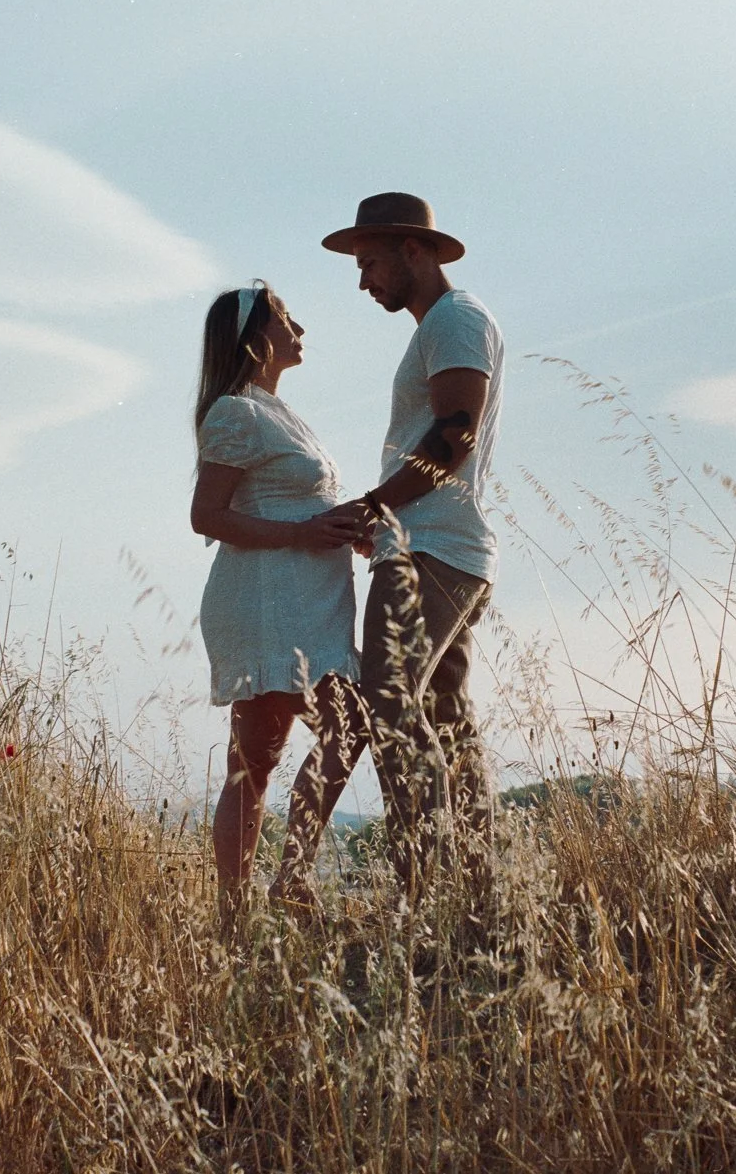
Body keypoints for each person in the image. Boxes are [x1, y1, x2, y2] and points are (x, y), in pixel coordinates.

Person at [320, 192, 505, 923]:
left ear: (413, 250)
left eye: (369, 262)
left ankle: (426, 893)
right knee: (446, 716)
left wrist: (378, 504)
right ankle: (481, 895)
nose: (364, 281)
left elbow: (455, 432)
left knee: (389, 704)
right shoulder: (443, 325)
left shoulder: (456, 320)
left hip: (431, 548)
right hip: (442, 547)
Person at [190, 282, 372, 928]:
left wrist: (347, 526)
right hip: (269, 602)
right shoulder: (234, 412)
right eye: (287, 315)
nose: (301, 323)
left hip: (313, 600)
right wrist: (302, 533)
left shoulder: (277, 412)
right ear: (257, 337)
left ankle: (285, 883)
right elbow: (205, 515)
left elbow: (297, 501)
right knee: (258, 763)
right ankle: (247, 907)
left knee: (336, 732)